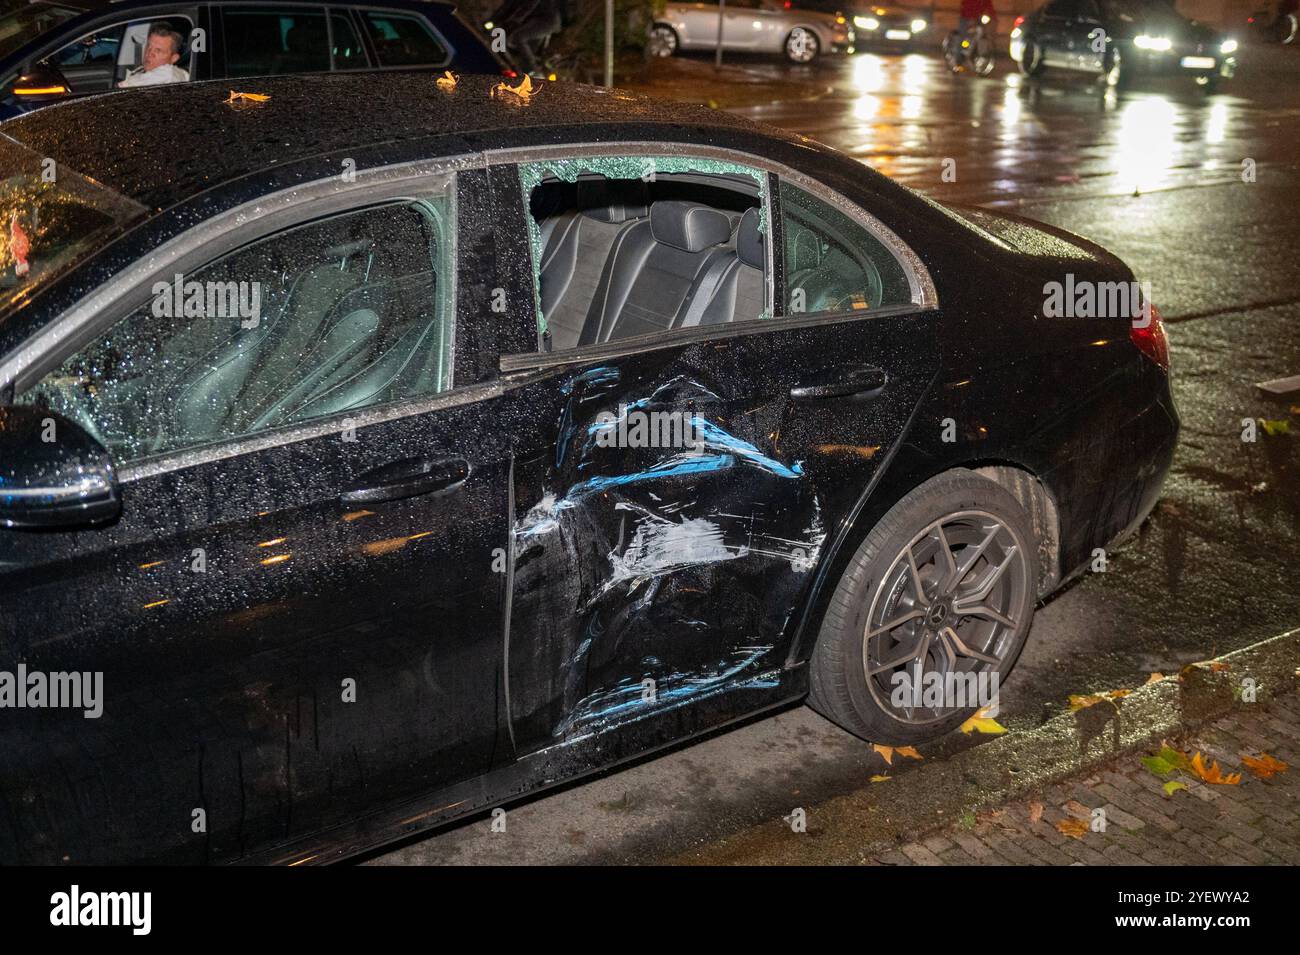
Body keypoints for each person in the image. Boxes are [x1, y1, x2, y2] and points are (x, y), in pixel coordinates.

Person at [488, 0, 563, 75]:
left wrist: (515, 20)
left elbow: (528, 7)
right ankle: (526, 68)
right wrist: (493, 20)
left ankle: (533, 68)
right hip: (541, 20)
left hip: (547, 21)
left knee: (519, 37)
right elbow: (508, 7)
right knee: (530, 45)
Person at [118, 24, 189, 88]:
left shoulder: (168, 74)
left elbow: (123, 88)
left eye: (158, 50)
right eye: (149, 46)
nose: (149, 53)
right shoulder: (144, 70)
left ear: (174, 58)